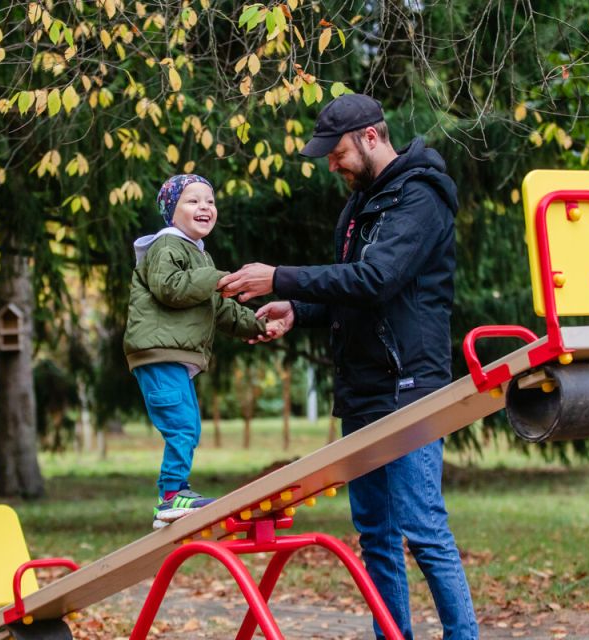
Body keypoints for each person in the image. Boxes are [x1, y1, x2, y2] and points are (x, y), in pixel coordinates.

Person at [217, 94, 478, 639]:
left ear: (371, 137)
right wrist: (299, 308)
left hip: (410, 386)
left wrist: (280, 277)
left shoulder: (420, 198)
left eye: (336, 154)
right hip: (361, 389)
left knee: (422, 528)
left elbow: (378, 279)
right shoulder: (359, 206)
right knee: (376, 536)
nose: (332, 166)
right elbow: (353, 289)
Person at [124, 174, 278, 529]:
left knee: (188, 426)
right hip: (158, 352)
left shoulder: (198, 256)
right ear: (171, 211)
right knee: (181, 427)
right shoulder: (167, 246)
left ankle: (174, 499)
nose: (204, 207)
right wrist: (216, 278)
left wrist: (257, 324)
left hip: (173, 356)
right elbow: (170, 288)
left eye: (209, 201)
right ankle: (170, 495)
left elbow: (219, 310)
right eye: (192, 201)